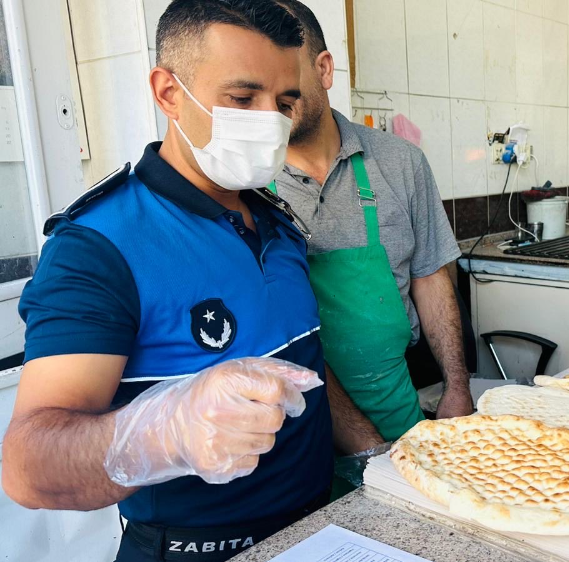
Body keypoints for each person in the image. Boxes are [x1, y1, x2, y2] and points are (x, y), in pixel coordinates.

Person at [1, 1, 380, 560]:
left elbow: (304, 366)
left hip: (318, 531)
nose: (270, 121)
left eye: (284, 103)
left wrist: (378, 457)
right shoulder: (101, 246)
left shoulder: (278, 224)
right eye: (242, 98)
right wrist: (167, 431)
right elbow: (28, 468)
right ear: (169, 92)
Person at [270, 1, 474, 443]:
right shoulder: (244, 185)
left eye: (285, 75)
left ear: (324, 69)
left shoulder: (401, 163)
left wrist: (457, 387)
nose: (272, 100)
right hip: (299, 432)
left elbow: (430, 277)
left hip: (396, 406)